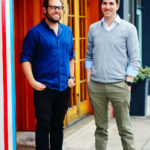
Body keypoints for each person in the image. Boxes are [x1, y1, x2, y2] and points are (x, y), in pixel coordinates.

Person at [85, 0, 141, 149]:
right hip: (96, 86)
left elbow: (135, 59)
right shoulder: (93, 28)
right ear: (101, 5)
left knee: (125, 129)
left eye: (111, 3)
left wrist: (128, 82)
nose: (107, 7)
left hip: (119, 85)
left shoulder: (129, 29)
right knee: (100, 129)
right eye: (104, 3)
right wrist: (89, 81)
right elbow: (89, 56)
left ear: (117, 5)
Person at [20, 0, 75, 149]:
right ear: (45, 9)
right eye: (53, 7)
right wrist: (32, 82)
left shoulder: (67, 31)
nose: (57, 11)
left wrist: (72, 77)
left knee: (58, 125)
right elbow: (25, 59)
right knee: (43, 125)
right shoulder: (35, 33)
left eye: (59, 8)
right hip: (43, 89)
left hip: (63, 88)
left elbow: (71, 57)